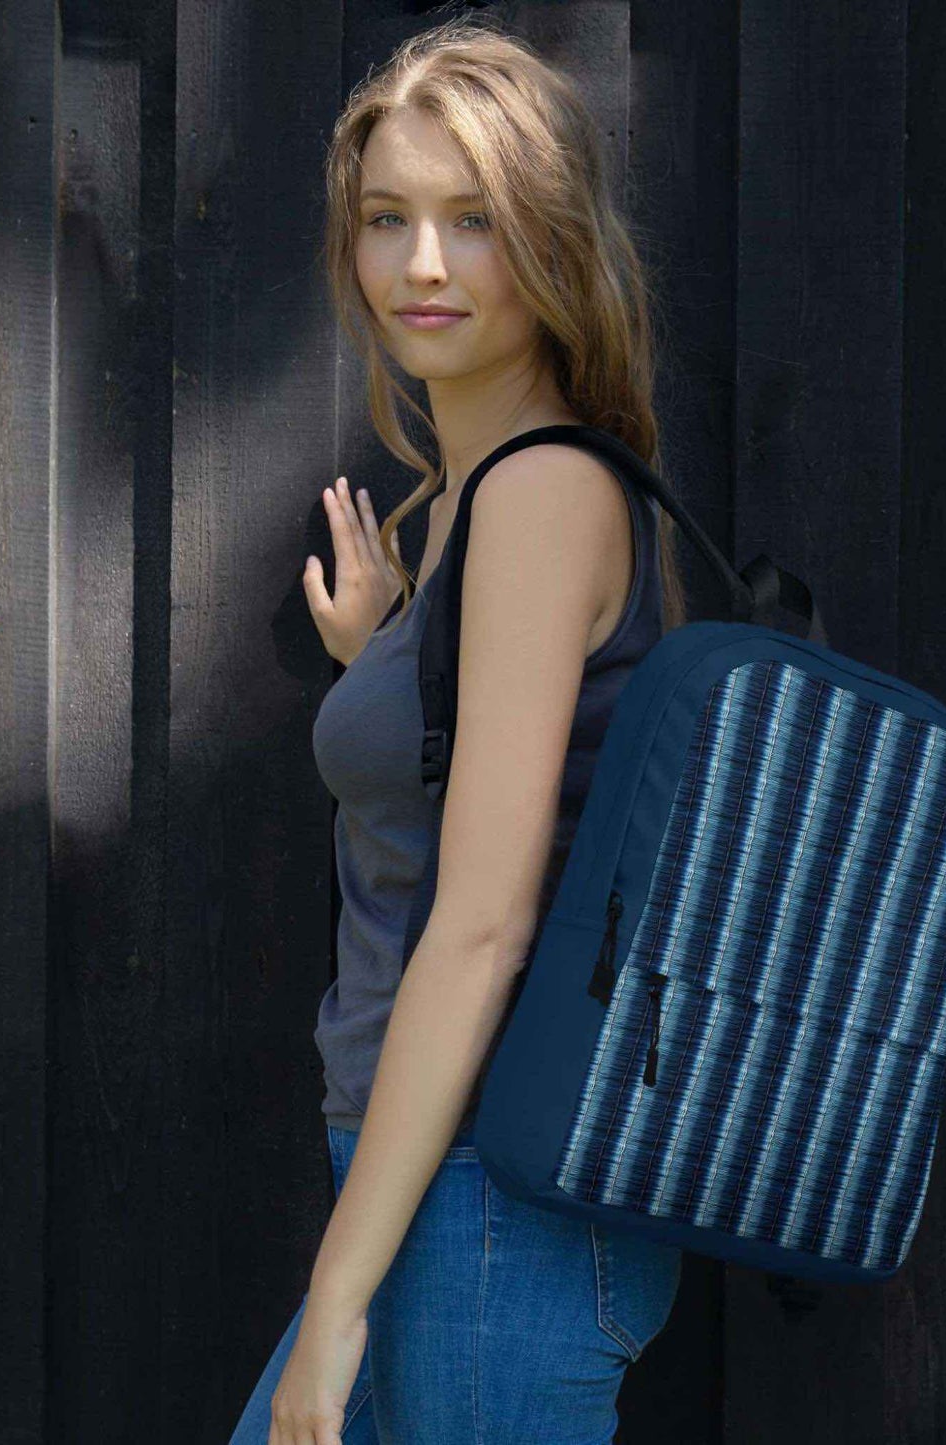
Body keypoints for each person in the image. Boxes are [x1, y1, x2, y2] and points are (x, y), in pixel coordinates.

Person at [229, 16, 687, 1445]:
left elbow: (485, 922)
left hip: (490, 1198)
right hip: (438, 1181)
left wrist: (341, 1296)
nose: (419, 265)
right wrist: (387, 660)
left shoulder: (542, 496)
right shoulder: (472, 504)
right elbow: (486, 803)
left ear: (547, 243)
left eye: (471, 220)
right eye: (386, 219)